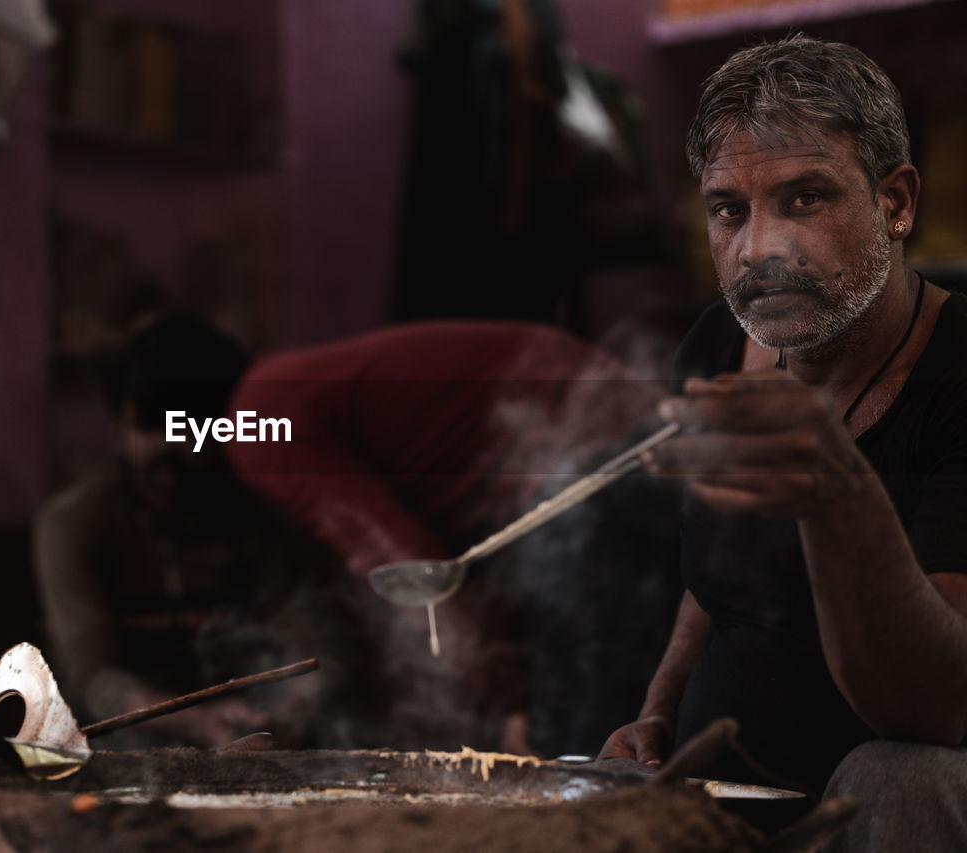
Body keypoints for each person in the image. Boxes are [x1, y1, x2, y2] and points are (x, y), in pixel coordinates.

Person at [596, 35, 967, 850]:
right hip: (732, 794)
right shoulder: (715, 347)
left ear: (896, 201)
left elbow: (939, 705)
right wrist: (657, 714)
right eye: (730, 208)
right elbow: (717, 576)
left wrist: (835, 490)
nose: (759, 250)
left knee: (900, 773)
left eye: (805, 199)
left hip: (890, 806)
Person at [226, 320, 679, 756]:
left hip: (603, 459)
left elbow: (404, 567)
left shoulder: (256, 421)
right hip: (607, 439)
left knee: (570, 740)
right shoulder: (272, 390)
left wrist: (508, 702)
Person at [33, 312, 396, 750]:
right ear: (118, 424)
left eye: (188, 428)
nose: (169, 447)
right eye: (149, 426)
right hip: (123, 748)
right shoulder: (75, 523)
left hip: (254, 737)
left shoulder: (258, 516)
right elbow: (91, 674)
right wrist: (194, 721)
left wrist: (293, 708)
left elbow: (318, 638)